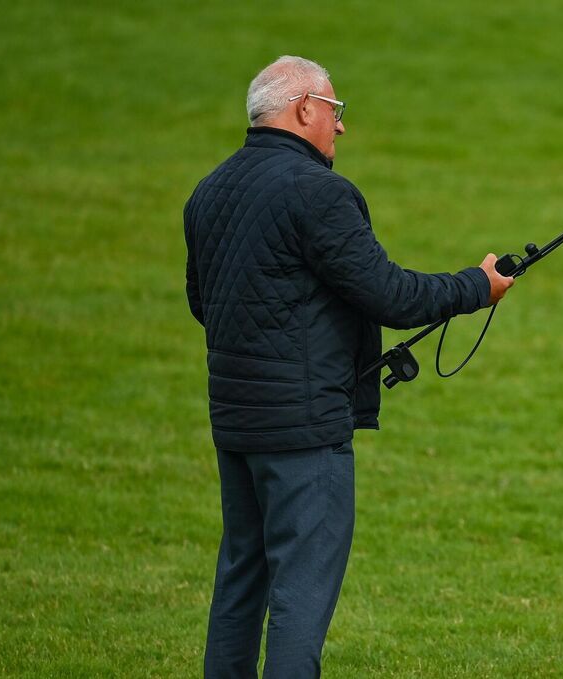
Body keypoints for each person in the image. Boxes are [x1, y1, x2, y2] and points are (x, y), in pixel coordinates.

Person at [183, 55, 515, 678]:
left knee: (240, 582)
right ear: (303, 109)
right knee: (299, 599)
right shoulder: (320, 193)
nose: (341, 128)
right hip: (305, 430)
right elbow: (390, 296)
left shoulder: (211, 189)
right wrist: (477, 286)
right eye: (335, 111)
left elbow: (207, 305)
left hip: (236, 425)